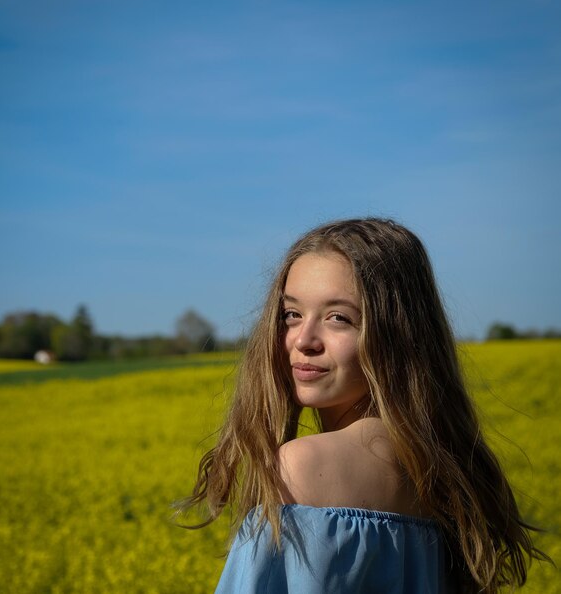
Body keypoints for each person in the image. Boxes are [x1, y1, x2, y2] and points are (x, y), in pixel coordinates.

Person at [179, 218, 548, 593]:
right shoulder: (449, 474)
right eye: (292, 314)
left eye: (339, 318)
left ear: (397, 336)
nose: (304, 340)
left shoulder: (303, 467)